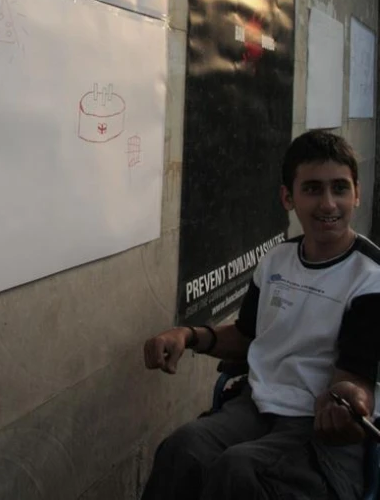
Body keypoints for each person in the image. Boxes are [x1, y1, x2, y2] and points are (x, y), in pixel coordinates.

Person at [141, 130, 380, 500]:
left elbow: (355, 384)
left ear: (357, 193)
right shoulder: (276, 261)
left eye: (340, 188)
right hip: (256, 406)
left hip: (315, 431)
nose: (329, 204)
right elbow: (247, 334)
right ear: (289, 197)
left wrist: (346, 400)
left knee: (239, 471)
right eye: (313, 189)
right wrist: (187, 336)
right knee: (182, 450)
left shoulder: (370, 279)